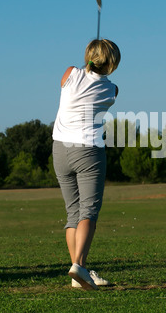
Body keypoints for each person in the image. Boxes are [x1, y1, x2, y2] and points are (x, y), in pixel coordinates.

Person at [52, 39, 121, 290]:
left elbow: (74, 76)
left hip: (59, 150)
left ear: (88, 56)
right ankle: (79, 266)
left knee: (73, 211)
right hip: (88, 151)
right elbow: (104, 83)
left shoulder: (70, 73)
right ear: (111, 64)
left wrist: (86, 65)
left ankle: (77, 271)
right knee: (88, 211)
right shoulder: (111, 89)